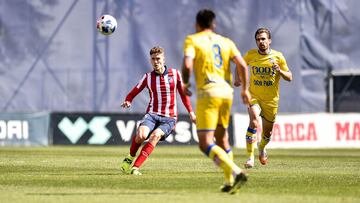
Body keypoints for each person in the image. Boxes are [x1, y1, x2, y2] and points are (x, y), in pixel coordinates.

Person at [181, 9, 251, 194]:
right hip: (227, 93)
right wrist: (245, 90)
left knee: (205, 143)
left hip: (208, 94)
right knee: (222, 139)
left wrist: (185, 82)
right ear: (214, 24)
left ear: (197, 24)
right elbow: (243, 65)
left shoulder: (192, 40)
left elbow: (187, 64)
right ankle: (229, 182)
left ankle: (235, 172)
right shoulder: (226, 41)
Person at [120, 46, 196, 175]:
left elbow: (183, 95)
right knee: (141, 135)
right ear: (150, 60)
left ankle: (135, 167)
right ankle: (130, 157)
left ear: (164, 59)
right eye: (153, 59)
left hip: (169, 118)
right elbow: (133, 92)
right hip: (152, 114)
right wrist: (128, 100)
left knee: (155, 136)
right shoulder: (148, 77)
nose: (156, 62)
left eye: (158, 59)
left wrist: (191, 113)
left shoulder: (175, 74)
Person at [239, 28, 293, 168]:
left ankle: (261, 147)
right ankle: (250, 158)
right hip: (254, 96)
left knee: (267, 134)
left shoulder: (278, 56)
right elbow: (240, 66)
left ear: (269, 40)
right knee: (254, 122)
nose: (261, 42)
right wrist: (238, 78)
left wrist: (279, 71)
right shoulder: (251, 55)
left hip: (271, 101)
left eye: (263, 39)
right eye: (258, 39)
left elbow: (290, 77)